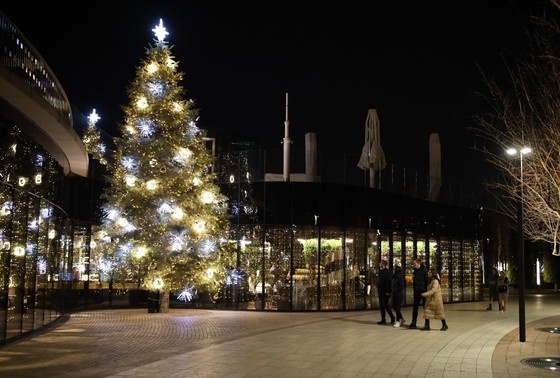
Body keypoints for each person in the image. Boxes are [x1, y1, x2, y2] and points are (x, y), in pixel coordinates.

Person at [408, 258, 428, 329]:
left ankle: (427, 324)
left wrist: (426, 292)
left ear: (419, 263)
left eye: (414, 264)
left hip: (423, 291)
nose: (413, 265)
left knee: (425, 308)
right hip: (417, 291)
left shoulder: (424, 271)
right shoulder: (415, 271)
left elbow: (427, 282)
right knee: (415, 307)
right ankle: (413, 322)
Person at [376, 260, 395, 325]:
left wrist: (388, 291)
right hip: (380, 291)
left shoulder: (387, 272)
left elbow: (389, 283)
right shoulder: (380, 271)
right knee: (382, 305)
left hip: (385, 292)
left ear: (383, 264)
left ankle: (392, 317)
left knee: (385, 305)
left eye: (380, 263)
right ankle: (383, 319)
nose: (379, 264)